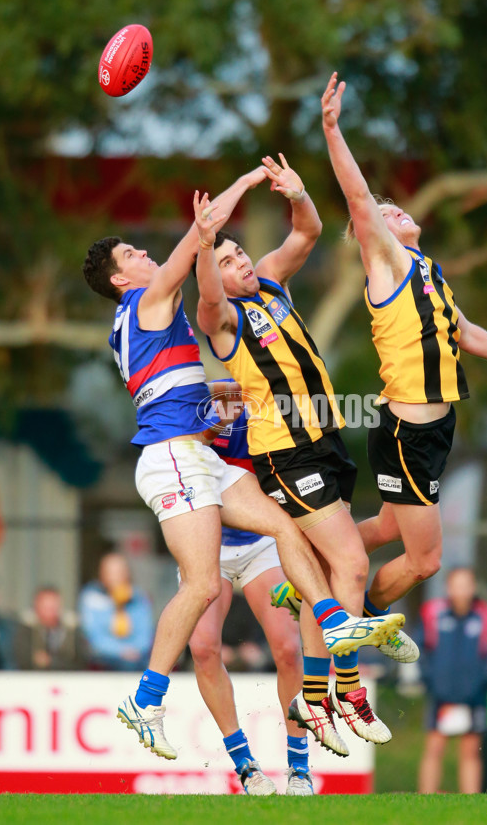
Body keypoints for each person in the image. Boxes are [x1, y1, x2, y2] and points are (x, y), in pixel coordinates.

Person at [82, 167, 400, 775]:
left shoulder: (146, 316)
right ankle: (145, 699)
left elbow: (189, 385)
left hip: (196, 455)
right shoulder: (146, 298)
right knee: (202, 587)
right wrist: (247, 183)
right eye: (133, 253)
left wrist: (226, 400)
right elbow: (193, 247)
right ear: (122, 278)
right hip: (173, 457)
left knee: (283, 527)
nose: (145, 253)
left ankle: (333, 625)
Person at [320, 71, 487, 615]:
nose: (392, 211)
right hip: (407, 432)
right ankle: (349, 613)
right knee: (426, 561)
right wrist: (332, 130)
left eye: (394, 207)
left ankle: (305, 573)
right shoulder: (387, 263)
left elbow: (465, 332)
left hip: (432, 429)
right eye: (384, 214)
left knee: (390, 526)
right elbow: (359, 199)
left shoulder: (428, 271)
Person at [192, 154, 410, 759]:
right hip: (285, 456)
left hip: (326, 443)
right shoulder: (224, 317)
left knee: (332, 573)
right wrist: (206, 247)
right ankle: (347, 694)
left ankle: (315, 693)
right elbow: (208, 293)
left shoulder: (269, 283)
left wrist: (298, 194)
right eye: (229, 261)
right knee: (351, 565)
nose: (239, 266)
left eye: (239, 257)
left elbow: (309, 232)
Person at [187, 406, 314, 795]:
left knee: (289, 648)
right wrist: (213, 426)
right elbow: (181, 453)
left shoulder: (280, 407)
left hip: (261, 545)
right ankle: (245, 765)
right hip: (206, 546)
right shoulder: (211, 402)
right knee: (203, 647)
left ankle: (299, 769)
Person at [415, 567, 487, 793]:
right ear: (448, 587)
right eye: (456, 584)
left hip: (474, 697)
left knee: (470, 750)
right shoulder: (433, 613)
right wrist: (430, 682)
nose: (461, 590)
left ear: (473, 587)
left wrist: (477, 687)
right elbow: (419, 651)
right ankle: (426, 798)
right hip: (440, 695)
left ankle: (470, 800)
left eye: (466, 584)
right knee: (434, 747)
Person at [78, 553, 153, 671]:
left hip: (137, 661)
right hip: (102, 662)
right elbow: (94, 638)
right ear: (101, 574)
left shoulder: (139, 598)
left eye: (119, 572)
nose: (115, 577)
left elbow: (145, 637)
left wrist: (133, 651)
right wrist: (121, 651)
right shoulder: (91, 597)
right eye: (110, 572)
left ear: (127, 574)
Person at [14, 585, 82, 670]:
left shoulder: (71, 630)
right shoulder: (26, 629)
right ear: (36, 606)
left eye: (53, 606)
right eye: (46, 606)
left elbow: (81, 661)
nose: (50, 611)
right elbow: (24, 660)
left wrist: (51, 661)